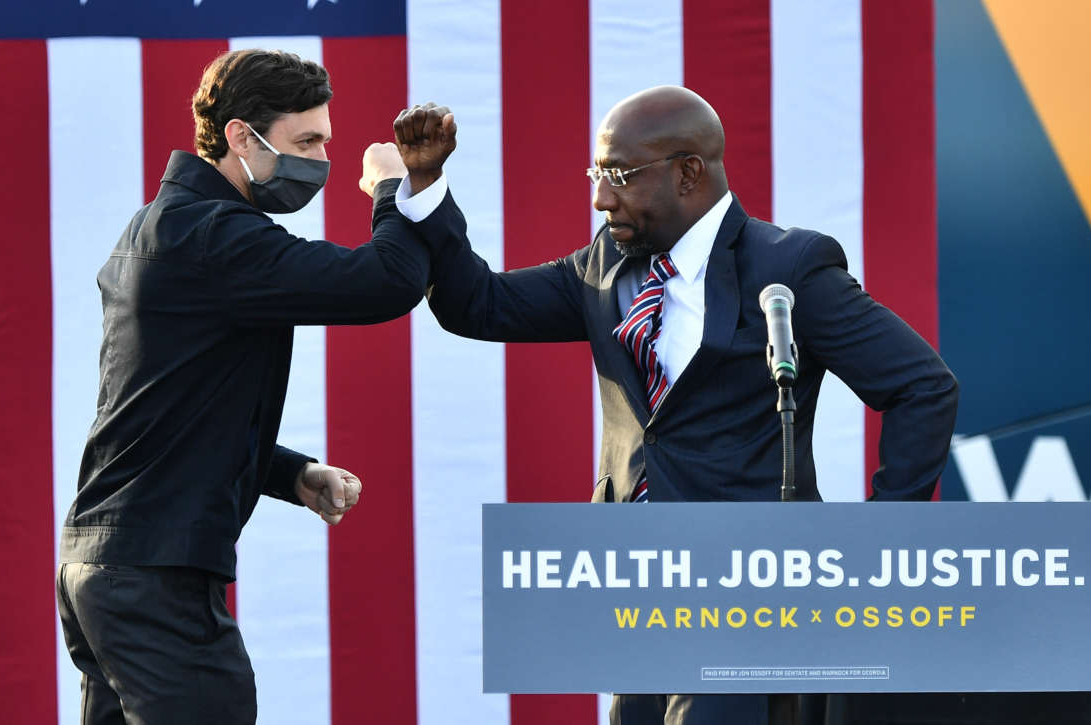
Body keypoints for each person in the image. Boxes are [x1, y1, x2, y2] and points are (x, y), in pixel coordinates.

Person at [384, 87, 959, 724]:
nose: (602, 197)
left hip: (749, 596)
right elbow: (478, 305)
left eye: (620, 177)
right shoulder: (607, 264)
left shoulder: (788, 267)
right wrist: (426, 184)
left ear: (688, 173)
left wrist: (878, 543)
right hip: (637, 593)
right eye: (597, 175)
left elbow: (922, 387)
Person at [56, 49, 435, 724]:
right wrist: (392, 190)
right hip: (153, 577)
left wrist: (290, 473)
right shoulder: (214, 237)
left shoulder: (157, 229)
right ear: (239, 135)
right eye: (306, 141)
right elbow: (389, 281)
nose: (321, 160)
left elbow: (170, 409)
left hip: (104, 566)